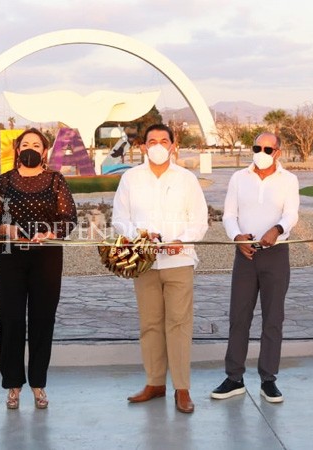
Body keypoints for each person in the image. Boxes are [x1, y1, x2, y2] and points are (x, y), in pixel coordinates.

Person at [112, 123, 208, 414]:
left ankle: (182, 388)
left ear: (172, 145)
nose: (156, 145)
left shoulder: (186, 179)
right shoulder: (130, 178)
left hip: (179, 261)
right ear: (142, 147)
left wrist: (183, 240)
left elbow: (200, 219)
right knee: (150, 324)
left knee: (179, 324)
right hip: (144, 262)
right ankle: (155, 383)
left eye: (163, 140)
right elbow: (119, 218)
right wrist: (140, 237)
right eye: (151, 141)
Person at [0, 128, 77, 410]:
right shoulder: (5, 182)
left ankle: (38, 383)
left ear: (45, 151)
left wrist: (49, 233)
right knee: (11, 320)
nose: (31, 148)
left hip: (46, 258)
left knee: (42, 320)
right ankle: (12, 383)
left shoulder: (56, 181)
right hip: (11, 258)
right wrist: (6, 228)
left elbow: (69, 219)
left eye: (37, 144)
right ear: (17, 150)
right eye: (26, 144)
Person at [212, 132, 298, 404]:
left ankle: (268, 379)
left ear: (278, 152)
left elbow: (291, 214)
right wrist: (237, 237)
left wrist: (277, 229)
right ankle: (234, 377)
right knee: (239, 316)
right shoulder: (239, 178)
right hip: (245, 255)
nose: (261, 152)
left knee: (273, 318)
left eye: (268, 148)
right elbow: (229, 214)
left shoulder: (289, 180)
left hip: (276, 254)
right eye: (257, 147)